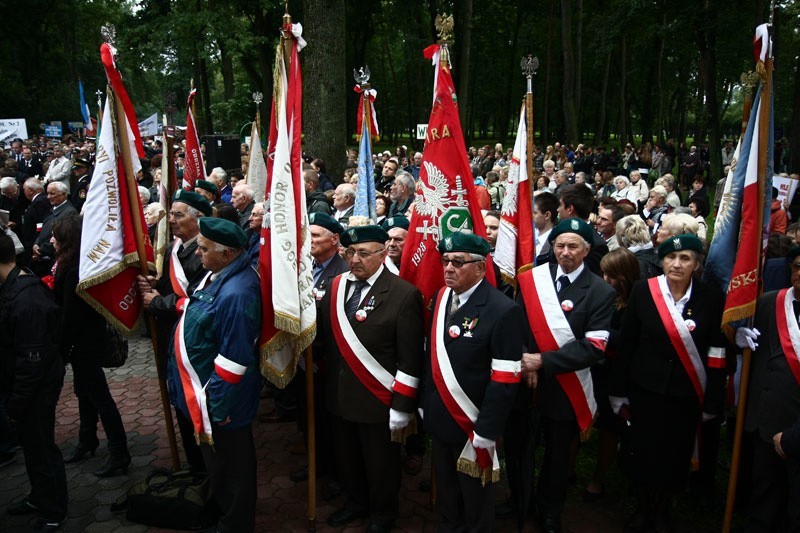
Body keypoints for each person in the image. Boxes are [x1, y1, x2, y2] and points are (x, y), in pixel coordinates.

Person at [610, 234, 727, 532]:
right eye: (670, 258)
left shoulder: (711, 298)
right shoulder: (643, 291)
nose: (676, 264)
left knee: (675, 454)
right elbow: (627, 345)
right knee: (643, 451)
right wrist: (618, 392)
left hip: (685, 393)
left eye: (685, 258)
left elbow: (716, 353)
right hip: (645, 389)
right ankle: (643, 506)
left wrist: (713, 398)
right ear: (661, 261)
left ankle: (662, 509)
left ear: (696, 264)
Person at [318, 225, 424, 532]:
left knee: (381, 466)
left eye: (363, 253)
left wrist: (402, 408)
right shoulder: (337, 287)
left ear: (382, 254)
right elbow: (326, 340)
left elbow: (410, 359)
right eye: (350, 253)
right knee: (347, 459)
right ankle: (356, 502)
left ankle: (382, 515)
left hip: (378, 401)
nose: (355, 260)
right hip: (339, 395)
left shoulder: (403, 295)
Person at [516, 218, 615, 533]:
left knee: (558, 455)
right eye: (560, 245)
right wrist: (524, 359)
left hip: (566, 385)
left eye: (573, 246)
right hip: (527, 382)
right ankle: (519, 500)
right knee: (520, 447)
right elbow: (517, 326)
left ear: (586, 250)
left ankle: (549, 511)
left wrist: (541, 361)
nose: (565, 252)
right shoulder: (532, 280)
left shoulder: (600, 291)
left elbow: (595, 346)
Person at [423, 231, 524, 532]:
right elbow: (432, 358)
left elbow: (505, 377)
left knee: (475, 497)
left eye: (458, 262)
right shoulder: (442, 297)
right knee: (447, 488)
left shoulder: (502, 310)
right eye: (446, 261)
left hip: (474, 423)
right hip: (441, 416)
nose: (449, 268)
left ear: (480, 268)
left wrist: (487, 430)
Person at [170, 217, 261, 532]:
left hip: (222, 401)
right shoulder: (216, 273)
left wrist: (217, 406)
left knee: (232, 468)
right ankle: (226, 515)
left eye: (204, 249)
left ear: (228, 253)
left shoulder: (237, 292)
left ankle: (235, 524)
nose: (198, 253)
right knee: (218, 464)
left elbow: (235, 358)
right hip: (208, 393)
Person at [137, 189, 212, 472]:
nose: (171, 220)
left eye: (178, 215)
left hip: (190, 340)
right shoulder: (174, 248)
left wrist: (157, 301)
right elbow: (172, 287)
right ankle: (194, 467)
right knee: (178, 403)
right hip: (170, 336)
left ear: (198, 219)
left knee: (193, 403)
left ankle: (204, 470)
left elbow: (196, 299)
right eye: (171, 214)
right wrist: (155, 284)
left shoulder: (205, 252)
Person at [51, 215, 130, 476]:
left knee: (100, 398)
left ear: (67, 239)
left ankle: (119, 452)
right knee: (84, 393)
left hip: (84, 344)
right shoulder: (72, 264)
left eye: (56, 236)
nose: (52, 240)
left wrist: (61, 350)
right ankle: (87, 440)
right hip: (82, 343)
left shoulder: (75, 269)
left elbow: (70, 317)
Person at [0, 232, 68, 532]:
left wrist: (16, 401)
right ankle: (39, 497)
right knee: (32, 446)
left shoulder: (26, 297)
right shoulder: (12, 287)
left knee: (41, 447)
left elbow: (33, 358)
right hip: (25, 386)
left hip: (35, 388)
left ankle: (53, 509)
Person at [738, 246, 800, 531]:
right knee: (763, 495)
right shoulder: (768, 303)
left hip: (795, 423)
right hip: (765, 419)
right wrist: (735, 336)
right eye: (797, 266)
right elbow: (746, 349)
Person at [290, 212, 349, 498]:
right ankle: (317, 464)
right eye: (308, 236)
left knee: (330, 424)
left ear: (334, 239)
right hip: (304, 358)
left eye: (315, 236)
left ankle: (337, 474)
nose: (309, 241)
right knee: (307, 415)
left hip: (327, 361)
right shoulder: (305, 266)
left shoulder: (343, 271)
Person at [583, 248, 640, 502]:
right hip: (593, 368)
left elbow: (631, 339)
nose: (606, 280)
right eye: (604, 274)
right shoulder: (601, 295)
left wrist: (601, 335)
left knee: (609, 427)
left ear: (626, 276)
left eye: (612, 276)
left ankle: (598, 478)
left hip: (616, 374)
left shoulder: (636, 303)